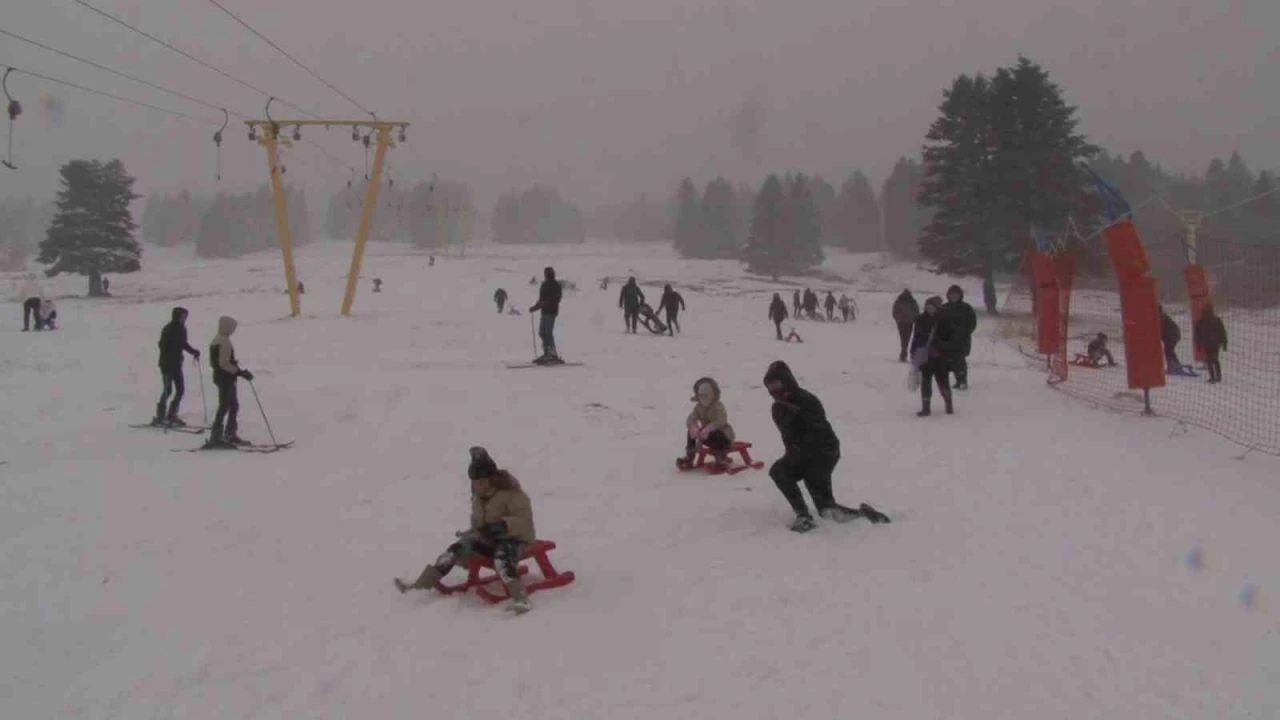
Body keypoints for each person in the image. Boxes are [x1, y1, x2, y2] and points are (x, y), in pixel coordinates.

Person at [393, 447, 536, 614]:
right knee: (455, 549)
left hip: (515, 539)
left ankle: (521, 599)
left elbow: (525, 522)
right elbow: (478, 521)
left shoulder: (512, 493)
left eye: (482, 481)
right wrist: (473, 531)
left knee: (502, 558)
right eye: (474, 482)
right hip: (488, 538)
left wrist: (502, 526)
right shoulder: (477, 496)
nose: (477, 486)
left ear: (493, 479)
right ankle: (421, 584)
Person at [761, 360, 859, 532]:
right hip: (799, 454)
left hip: (824, 453)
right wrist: (793, 454)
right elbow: (788, 437)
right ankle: (802, 515)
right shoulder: (777, 408)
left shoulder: (807, 400)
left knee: (826, 508)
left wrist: (800, 416)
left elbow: (820, 431)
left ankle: (864, 516)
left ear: (787, 381)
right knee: (779, 471)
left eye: (777, 383)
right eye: (770, 386)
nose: (774, 389)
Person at [208, 315, 253, 447]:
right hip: (225, 379)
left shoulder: (217, 339)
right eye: (232, 328)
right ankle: (217, 437)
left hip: (221, 377)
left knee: (232, 406)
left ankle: (228, 434)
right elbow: (223, 363)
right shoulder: (224, 342)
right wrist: (239, 372)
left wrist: (237, 370)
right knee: (225, 406)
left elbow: (217, 362)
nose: (233, 330)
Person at [910, 296, 959, 417]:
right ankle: (926, 408)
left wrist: (940, 343)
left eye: (932, 307)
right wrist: (913, 352)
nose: (929, 309)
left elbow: (952, 339)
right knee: (925, 383)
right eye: (927, 307)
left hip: (940, 356)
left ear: (937, 308)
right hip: (925, 355)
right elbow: (916, 337)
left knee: (943, 382)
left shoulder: (945, 320)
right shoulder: (921, 319)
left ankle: (949, 405)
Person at [155, 307, 201, 426]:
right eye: (184, 316)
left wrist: (193, 352)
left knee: (179, 390)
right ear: (179, 316)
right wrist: (170, 355)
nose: (185, 318)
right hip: (167, 365)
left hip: (175, 365)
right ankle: (161, 416)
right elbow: (162, 345)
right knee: (168, 389)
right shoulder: (170, 329)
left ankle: (171, 414)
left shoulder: (180, 328)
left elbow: (183, 344)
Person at [678, 377, 735, 469]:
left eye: (706, 395)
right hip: (706, 436)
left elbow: (722, 420)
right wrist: (693, 426)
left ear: (713, 395)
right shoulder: (699, 407)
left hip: (724, 435)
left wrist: (710, 428)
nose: (703, 398)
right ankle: (690, 455)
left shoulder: (718, 406)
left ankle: (720, 458)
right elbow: (692, 417)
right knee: (690, 432)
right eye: (701, 395)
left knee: (716, 435)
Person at [944, 285, 977, 389]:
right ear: (948, 296)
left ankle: (962, 380)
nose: (954, 297)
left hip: (962, 340)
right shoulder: (944, 308)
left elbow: (972, 323)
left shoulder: (966, 308)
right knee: (949, 361)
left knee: (960, 361)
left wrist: (965, 332)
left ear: (960, 296)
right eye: (952, 295)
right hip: (947, 340)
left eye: (956, 295)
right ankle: (957, 380)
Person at [529, 267, 563, 364]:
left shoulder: (556, 285)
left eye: (549, 273)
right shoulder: (544, 285)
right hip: (544, 312)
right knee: (542, 332)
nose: (547, 275)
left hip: (551, 312)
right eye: (547, 273)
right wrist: (535, 307)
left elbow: (556, 299)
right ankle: (547, 353)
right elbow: (541, 299)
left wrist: (545, 303)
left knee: (548, 332)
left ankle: (553, 354)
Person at [1194, 303, 1228, 383]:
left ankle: (1212, 377)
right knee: (1215, 360)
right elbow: (1222, 332)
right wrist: (1224, 343)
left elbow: (1198, 336)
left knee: (1209, 361)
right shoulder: (1217, 320)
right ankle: (1218, 376)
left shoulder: (1200, 322)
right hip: (1216, 344)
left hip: (1207, 344)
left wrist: (1198, 346)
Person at [892, 289, 920, 362]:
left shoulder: (912, 302)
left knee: (907, 337)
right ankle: (904, 352)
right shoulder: (899, 301)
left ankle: (904, 352)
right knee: (903, 337)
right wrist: (897, 318)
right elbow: (894, 311)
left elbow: (916, 311)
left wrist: (915, 319)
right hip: (901, 322)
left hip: (909, 322)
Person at [1159, 305, 1183, 371]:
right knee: (1169, 350)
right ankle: (1175, 365)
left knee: (1168, 350)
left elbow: (1161, 328)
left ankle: (1174, 365)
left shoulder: (1161, 317)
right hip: (1172, 335)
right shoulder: (1162, 316)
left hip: (1172, 336)